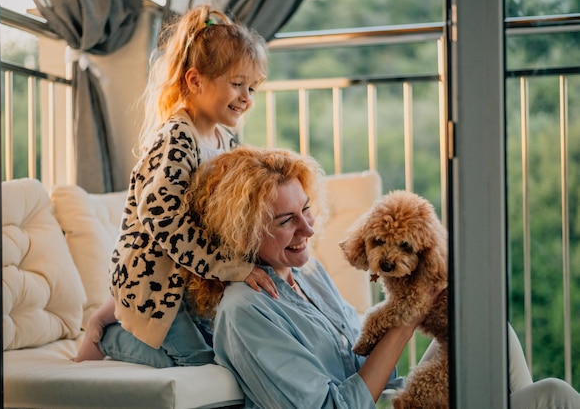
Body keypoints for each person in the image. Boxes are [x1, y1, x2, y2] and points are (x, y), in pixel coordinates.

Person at [183, 145, 580, 408]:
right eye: (287, 220)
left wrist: (423, 303)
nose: (307, 229)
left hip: (387, 398)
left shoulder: (307, 272)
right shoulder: (245, 312)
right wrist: (406, 320)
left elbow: (371, 366)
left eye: (306, 209)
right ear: (241, 232)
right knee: (554, 397)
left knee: (491, 330)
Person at [73, 5, 278, 367]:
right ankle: (110, 336)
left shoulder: (225, 141)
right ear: (195, 81)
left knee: (223, 350)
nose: (246, 97)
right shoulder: (176, 139)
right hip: (154, 282)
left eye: (252, 87)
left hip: (190, 280)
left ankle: (119, 312)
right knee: (195, 361)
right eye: (236, 84)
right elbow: (161, 216)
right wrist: (230, 268)